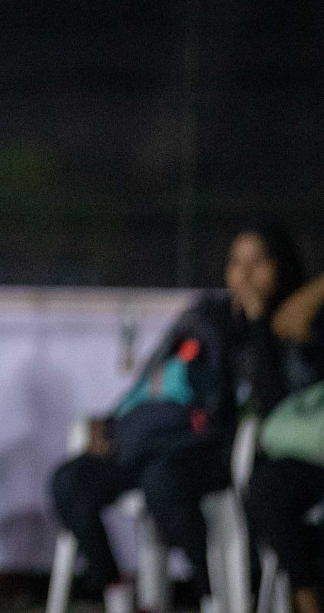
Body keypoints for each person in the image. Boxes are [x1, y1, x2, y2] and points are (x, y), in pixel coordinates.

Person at [50, 227, 308, 610]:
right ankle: (116, 592)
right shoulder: (206, 317)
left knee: (162, 481)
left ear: (281, 267)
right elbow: (157, 375)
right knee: (69, 480)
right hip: (155, 438)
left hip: (213, 448)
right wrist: (115, 420)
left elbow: (279, 404)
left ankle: (210, 594)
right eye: (236, 262)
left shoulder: (288, 324)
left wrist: (258, 328)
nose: (245, 274)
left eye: (259, 261)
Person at [243, 229, 324, 613]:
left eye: (256, 261)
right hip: (311, 447)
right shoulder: (217, 320)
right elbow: (290, 323)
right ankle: (305, 596)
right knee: (266, 487)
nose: (243, 274)